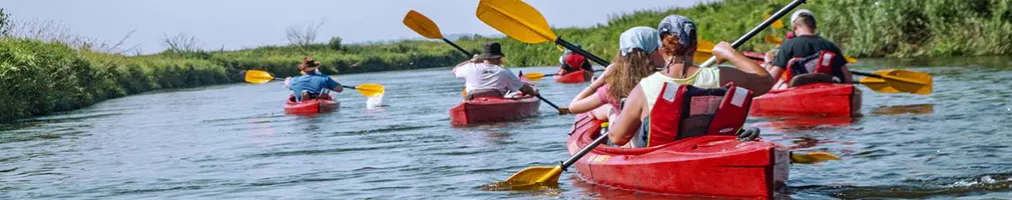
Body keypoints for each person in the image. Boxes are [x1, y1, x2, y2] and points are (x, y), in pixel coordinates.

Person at [606, 15, 774, 148]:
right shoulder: (720, 76)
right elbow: (766, 81)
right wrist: (730, 53)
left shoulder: (645, 88)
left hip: (664, 158)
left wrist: (613, 117)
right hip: (712, 150)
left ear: (660, 50)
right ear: (695, 48)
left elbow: (618, 137)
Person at [568, 27, 662, 121]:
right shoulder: (666, 81)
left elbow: (573, 107)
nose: (663, 51)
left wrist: (601, 80)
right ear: (651, 53)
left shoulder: (614, 89)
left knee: (603, 109)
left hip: (626, 131)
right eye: (659, 48)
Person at [762, 9, 853, 89]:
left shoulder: (788, 45)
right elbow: (848, 79)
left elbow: (770, 81)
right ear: (814, 26)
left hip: (797, 95)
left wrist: (769, 63)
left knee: (779, 84)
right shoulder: (830, 46)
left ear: (795, 27)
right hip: (828, 93)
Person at [453, 42, 538, 100]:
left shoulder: (469, 67)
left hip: (472, 98)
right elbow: (524, 89)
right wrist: (533, 92)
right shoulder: (504, 71)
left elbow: (455, 70)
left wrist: (471, 61)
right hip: (496, 98)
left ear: (484, 57)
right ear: (499, 57)